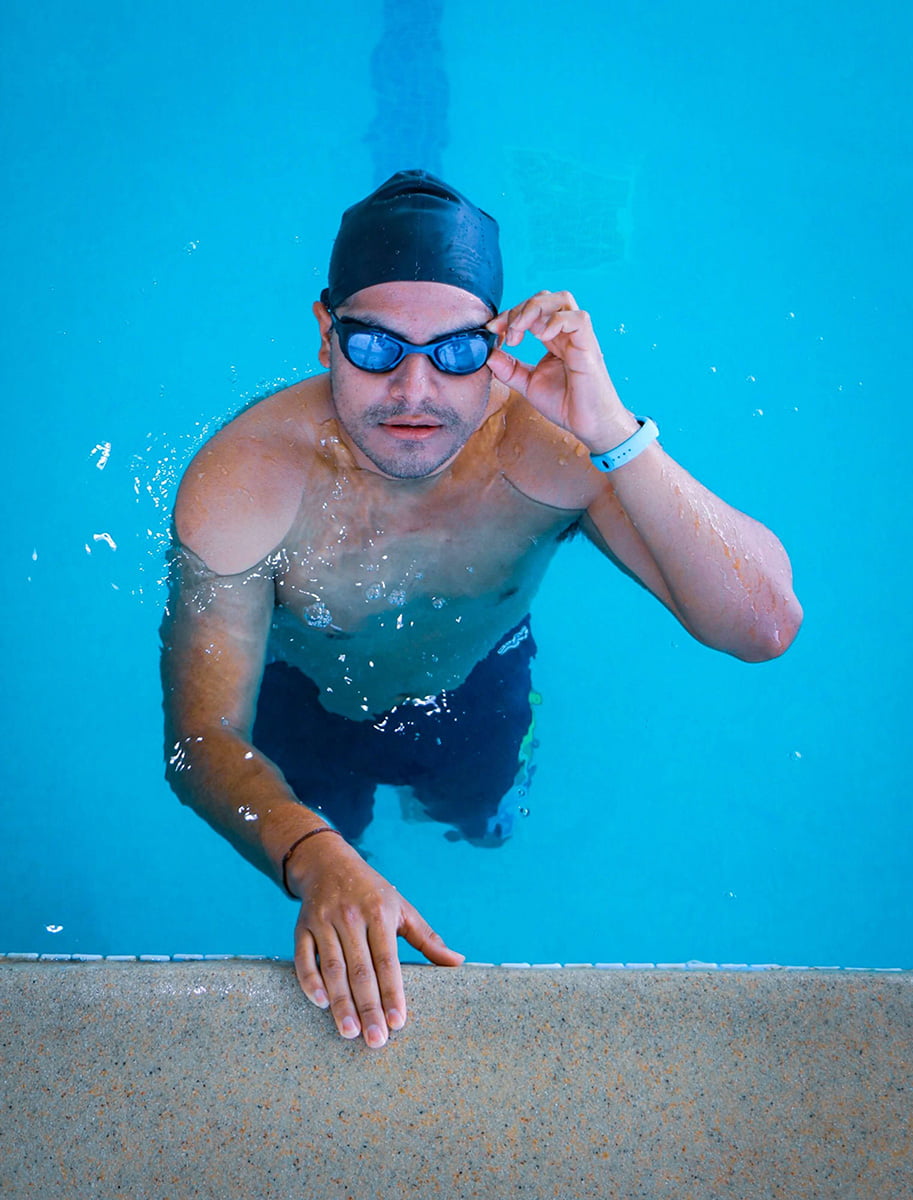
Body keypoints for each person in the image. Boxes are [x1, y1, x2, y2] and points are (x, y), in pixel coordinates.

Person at [161, 170, 802, 1049]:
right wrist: (310, 856)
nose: (415, 390)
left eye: (457, 351)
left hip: (481, 693)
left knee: (481, 829)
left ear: (497, 339)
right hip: (300, 708)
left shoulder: (553, 452)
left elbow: (763, 626)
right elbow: (202, 740)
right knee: (326, 853)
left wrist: (613, 433)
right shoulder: (247, 482)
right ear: (324, 332)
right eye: (375, 347)